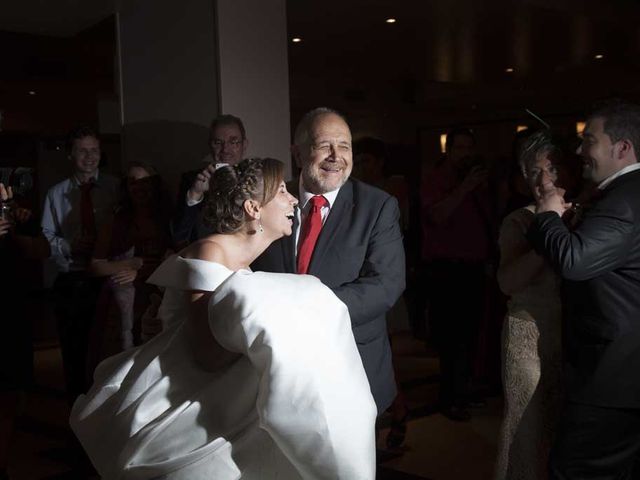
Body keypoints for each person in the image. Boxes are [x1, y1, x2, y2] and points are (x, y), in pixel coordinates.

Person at [70, 158, 377, 479]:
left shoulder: (246, 268)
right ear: (253, 208)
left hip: (222, 396)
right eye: (283, 191)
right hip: (184, 395)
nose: (294, 200)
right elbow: (206, 355)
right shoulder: (211, 253)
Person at [252, 108, 406, 417]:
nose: (336, 155)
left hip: (351, 365)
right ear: (297, 153)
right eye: (324, 145)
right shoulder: (271, 200)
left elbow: (386, 284)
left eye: (345, 145)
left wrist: (306, 309)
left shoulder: (377, 207)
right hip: (279, 367)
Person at [528, 100, 640, 479]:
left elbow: (574, 261)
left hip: (612, 375)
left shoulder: (625, 199)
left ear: (621, 148)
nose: (580, 152)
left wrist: (548, 214)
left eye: (588, 140)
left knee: (575, 470)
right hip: (623, 368)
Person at [494, 131, 564, 480]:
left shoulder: (589, 213)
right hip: (527, 336)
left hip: (572, 334)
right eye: (532, 172)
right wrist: (548, 232)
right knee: (525, 429)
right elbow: (508, 282)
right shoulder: (519, 220)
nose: (542, 180)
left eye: (550, 169)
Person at [420, 127, 496, 421]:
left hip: (474, 266)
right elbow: (436, 216)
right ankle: (449, 396)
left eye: (469, 148)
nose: (465, 154)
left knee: (471, 332)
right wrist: (464, 188)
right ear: (449, 151)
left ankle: (463, 391)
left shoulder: (480, 181)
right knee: (449, 335)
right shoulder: (436, 179)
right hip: (445, 267)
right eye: (460, 148)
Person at [41, 126, 120, 404]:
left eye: (94, 150)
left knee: (106, 347)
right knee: (73, 348)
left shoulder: (114, 188)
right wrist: (68, 246)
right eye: (83, 151)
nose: (89, 157)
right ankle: (74, 407)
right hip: (71, 279)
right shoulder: (56, 194)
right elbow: (46, 237)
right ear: (70, 154)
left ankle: (104, 405)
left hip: (107, 278)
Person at [86, 162, 172, 375]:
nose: (139, 188)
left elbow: (174, 257)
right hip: (123, 304)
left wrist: (142, 271)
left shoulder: (167, 219)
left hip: (156, 295)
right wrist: (131, 265)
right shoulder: (117, 220)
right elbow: (96, 267)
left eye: (145, 182)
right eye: (133, 183)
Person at [0, 183, 49, 480]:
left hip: (12, 313)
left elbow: (42, 251)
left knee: (10, 391)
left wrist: (23, 230)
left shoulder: (14, 222)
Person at [170, 114, 248, 245]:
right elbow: (179, 236)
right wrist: (195, 195)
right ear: (210, 145)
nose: (225, 150)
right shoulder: (192, 181)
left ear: (244, 145)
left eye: (233, 142)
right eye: (218, 143)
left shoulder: (255, 179)